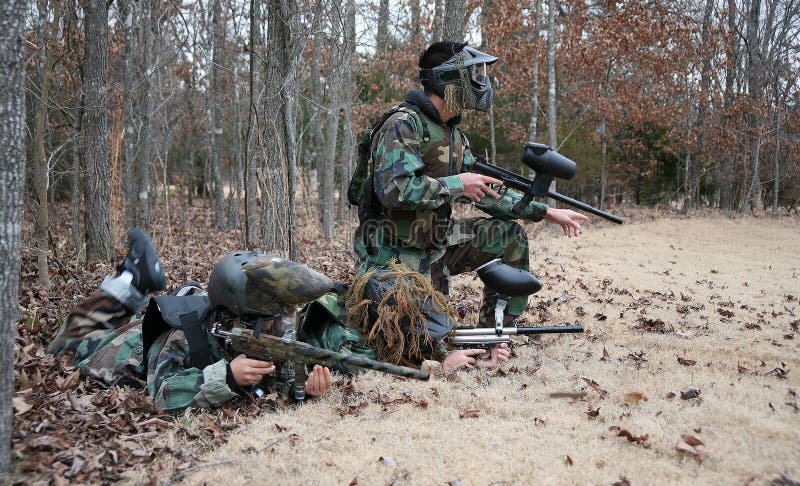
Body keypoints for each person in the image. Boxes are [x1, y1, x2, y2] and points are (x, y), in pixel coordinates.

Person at [351, 41, 588, 369]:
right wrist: (456, 184)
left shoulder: (453, 135)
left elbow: (488, 191)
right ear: (447, 79)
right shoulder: (402, 124)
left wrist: (547, 212)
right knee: (421, 344)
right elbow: (394, 190)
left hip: (436, 246)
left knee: (509, 236)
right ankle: (450, 347)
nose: (480, 80)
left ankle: (494, 335)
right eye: (473, 72)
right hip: (393, 259)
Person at [47, 229, 333, 414]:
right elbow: (162, 394)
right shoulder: (183, 338)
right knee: (64, 343)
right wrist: (228, 377)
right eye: (272, 324)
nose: (282, 331)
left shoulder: (255, 334)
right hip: (110, 348)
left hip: (155, 323)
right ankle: (130, 279)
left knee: (134, 317)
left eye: (286, 320)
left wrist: (304, 388)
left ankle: (138, 292)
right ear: (237, 320)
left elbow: (274, 381)